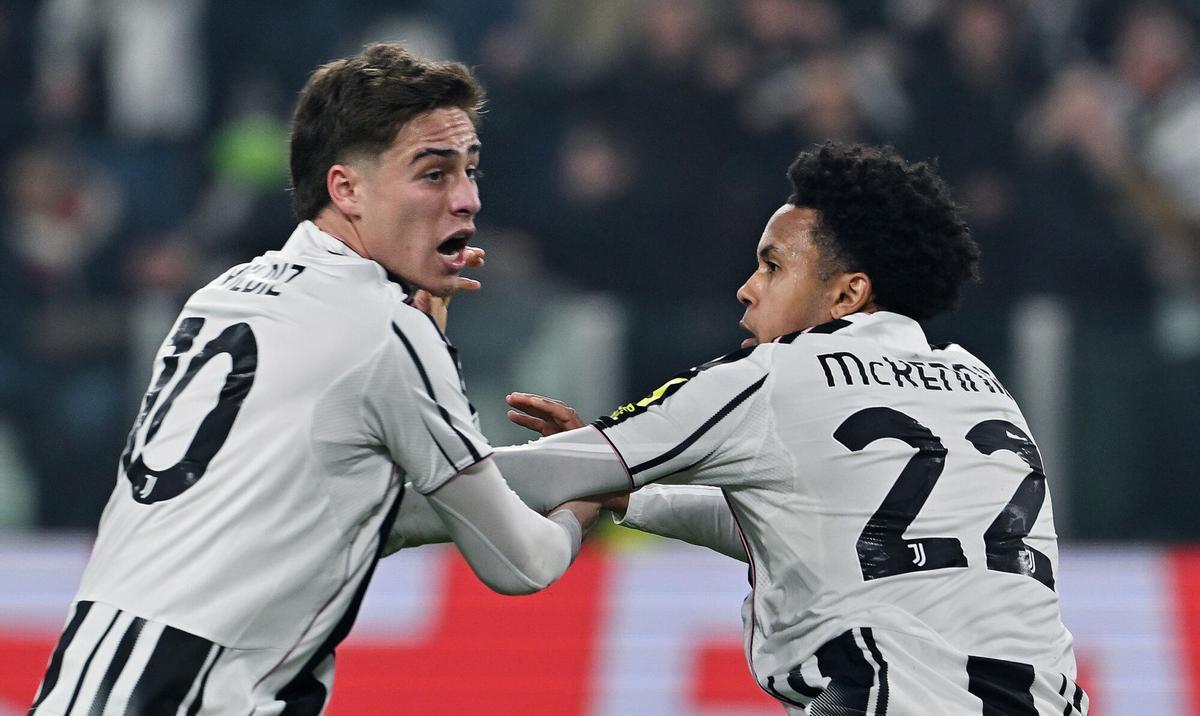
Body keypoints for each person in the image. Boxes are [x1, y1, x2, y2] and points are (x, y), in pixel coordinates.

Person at [29, 43, 595, 716]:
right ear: (346, 188)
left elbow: (331, 509)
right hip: (196, 696)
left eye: (470, 171)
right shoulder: (385, 330)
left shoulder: (220, 297)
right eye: (434, 174)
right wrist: (587, 488)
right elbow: (521, 561)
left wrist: (534, 467)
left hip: (85, 685)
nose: (467, 200)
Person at [481, 143, 1088, 714]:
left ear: (848, 294)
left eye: (772, 265)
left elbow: (526, 477)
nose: (747, 289)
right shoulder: (980, 383)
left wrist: (402, 466)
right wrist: (626, 495)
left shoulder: (780, 373)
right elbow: (812, 517)